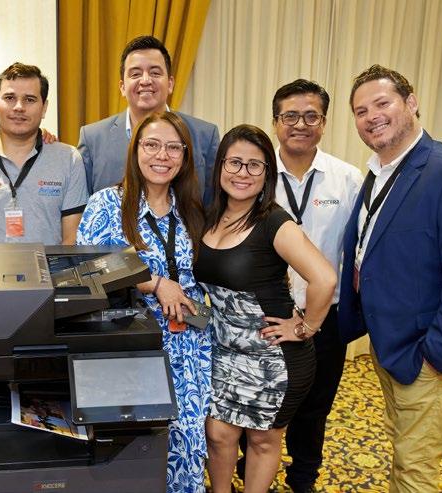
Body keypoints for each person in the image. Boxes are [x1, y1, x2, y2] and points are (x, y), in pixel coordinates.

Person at [339, 64, 442, 492]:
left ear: (411, 103)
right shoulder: (379, 172)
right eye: (360, 111)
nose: (371, 116)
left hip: (426, 351)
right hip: (392, 342)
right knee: (405, 446)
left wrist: (434, 356)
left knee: (416, 464)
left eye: (382, 103)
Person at [193, 124, 336, 493]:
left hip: (273, 357)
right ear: (220, 167)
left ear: (267, 173)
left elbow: (324, 279)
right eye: (234, 162)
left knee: (262, 440)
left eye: (255, 165)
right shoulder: (210, 216)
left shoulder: (274, 222)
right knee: (218, 435)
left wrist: (304, 328)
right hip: (224, 352)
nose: (243, 173)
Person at [76, 112, 211, 493]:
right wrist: (154, 283)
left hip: (189, 348)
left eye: (173, 148)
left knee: (187, 446)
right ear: (135, 150)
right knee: (137, 449)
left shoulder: (191, 209)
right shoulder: (107, 204)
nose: (162, 156)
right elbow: (85, 269)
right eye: (152, 145)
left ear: (185, 156)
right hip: (132, 347)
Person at [272, 80, 363, 493]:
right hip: (266, 313)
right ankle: (250, 466)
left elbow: (360, 246)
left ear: (324, 123)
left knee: (315, 404)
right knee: (261, 399)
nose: (300, 124)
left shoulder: (346, 178)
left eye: (311, 116)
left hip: (324, 314)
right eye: (290, 115)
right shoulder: (256, 173)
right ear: (276, 122)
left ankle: (303, 475)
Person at [0, 62, 88, 245]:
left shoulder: (69, 159)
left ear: (44, 107)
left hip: (51, 265)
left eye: (29, 99)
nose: (19, 107)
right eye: (9, 98)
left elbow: (72, 239)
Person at [77, 35, 220, 205]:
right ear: (122, 87)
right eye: (136, 74)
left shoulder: (205, 135)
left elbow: (214, 206)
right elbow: (80, 207)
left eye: (155, 73)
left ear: (170, 83)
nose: (145, 80)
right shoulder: (92, 138)